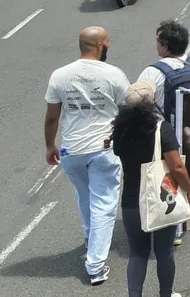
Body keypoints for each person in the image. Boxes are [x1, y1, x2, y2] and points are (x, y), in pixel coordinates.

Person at [43, 26, 129, 285]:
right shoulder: (113, 74)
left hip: (71, 150)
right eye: (107, 43)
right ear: (100, 46)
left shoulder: (60, 75)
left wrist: (50, 146)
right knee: (104, 204)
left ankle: (92, 238)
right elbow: (128, 110)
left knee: (85, 197)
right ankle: (96, 265)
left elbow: (51, 117)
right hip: (104, 149)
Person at [113, 81, 190, 297]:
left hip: (132, 202)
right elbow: (177, 166)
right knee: (164, 252)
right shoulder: (161, 130)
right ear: (151, 104)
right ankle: (166, 294)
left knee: (138, 254)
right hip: (162, 200)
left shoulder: (121, 131)